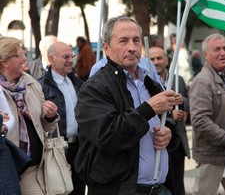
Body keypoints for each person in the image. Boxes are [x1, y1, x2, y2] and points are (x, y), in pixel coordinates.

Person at [74, 15, 177, 195]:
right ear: (106, 48)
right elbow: (108, 136)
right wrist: (148, 108)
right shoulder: (95, 87)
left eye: (136, 40)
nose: (131, 47)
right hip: (121, 190)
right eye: (123, 41)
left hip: (159, 189)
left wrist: (167, 132)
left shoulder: (149, 82)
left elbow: (164, 122)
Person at [0, 36, 59, 195]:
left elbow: (45, 126)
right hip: (7, 167)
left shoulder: (31, 83)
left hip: (32, 167)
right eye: (19, 55)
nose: (25, 58)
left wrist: (50, 116)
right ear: (5, 62)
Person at [189, 33, 225, 195]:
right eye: (217, 49)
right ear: (206, 55)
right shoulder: (203, 81)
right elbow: (199, 120)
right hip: (212, 157)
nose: (223, 53)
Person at [38, 41, 85, 195]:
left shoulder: (78, 84)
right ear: (51, 60)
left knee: (78, 190)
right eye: (66, 57)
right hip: (56, 148)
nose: (71, 60)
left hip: (79, 148)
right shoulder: (41, 86)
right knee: (59, 190)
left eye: (72, 56)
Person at [149, 46, 190, 195]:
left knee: (178, 185)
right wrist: (171, 114)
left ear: (166, 60)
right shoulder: (147, 81)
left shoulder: (178, 79)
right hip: (157, 142)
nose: (156, 62)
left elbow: (189, 101)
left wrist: (182, 101)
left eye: (159, 58)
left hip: (177, 143)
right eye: (152, 59)